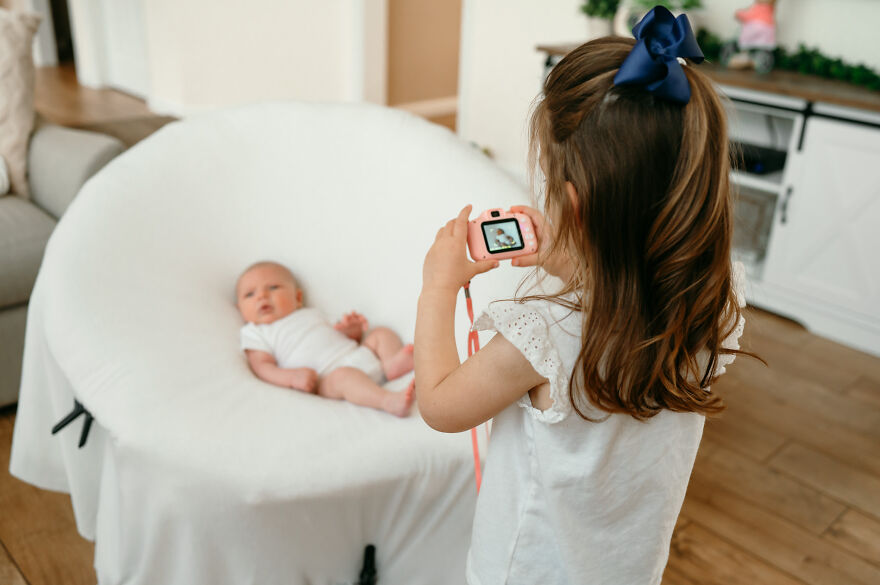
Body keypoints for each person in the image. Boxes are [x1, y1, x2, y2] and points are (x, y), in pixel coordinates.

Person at [414, 8, 751, 584]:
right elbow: (626, 288)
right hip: (627, 564)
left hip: (528, 567)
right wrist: (562, 256)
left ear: (573, 203)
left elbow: (442, 406)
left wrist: (439, 285)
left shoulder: (541, 336)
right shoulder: (716, 298)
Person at [236, 261, 414, 417]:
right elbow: (262, 367)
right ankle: (387, 400)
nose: (262, 296)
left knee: (381, 333)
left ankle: (392, 364)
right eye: (250, 294)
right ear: (240, 309)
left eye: (273, 287)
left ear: (297, 298)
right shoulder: (255, 332)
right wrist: (291, 378)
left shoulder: (313, 313)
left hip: (357, 355)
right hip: (327, 379)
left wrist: (352, 330)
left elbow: (345, 337)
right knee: (344, 377)